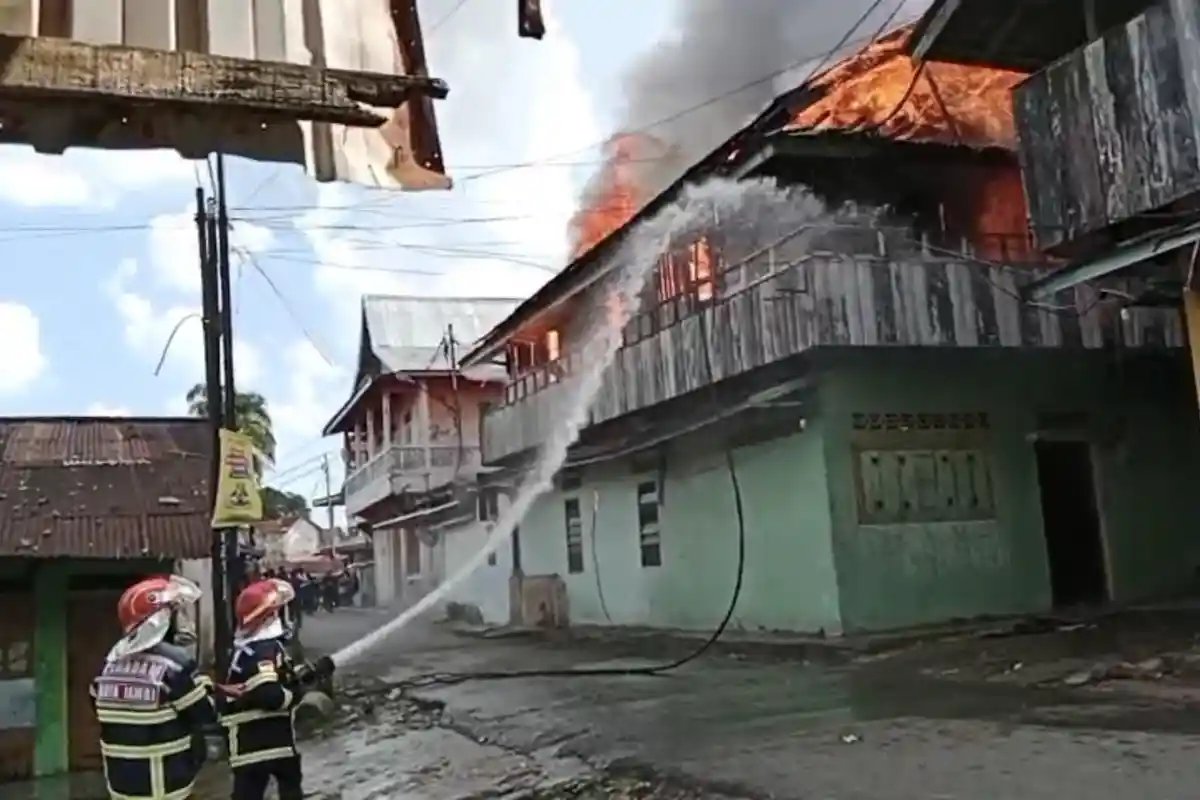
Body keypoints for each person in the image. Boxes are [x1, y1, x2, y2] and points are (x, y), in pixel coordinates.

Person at [91, 575, 220, 800]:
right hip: (166, 788)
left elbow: (100, 708)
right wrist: (202, 685)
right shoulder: (174, 666)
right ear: (161, 620)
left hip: (121, 787)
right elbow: (205, 714)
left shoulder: (108, 665)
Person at [219, 578, 332, 800]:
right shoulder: (263, 650)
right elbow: (271, 695)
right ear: (266, 616)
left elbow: (278, 677)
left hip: (260, 748)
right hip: (261, 744)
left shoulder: (251, 649)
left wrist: (311, 672)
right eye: (276, 612)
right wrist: (298, 694)